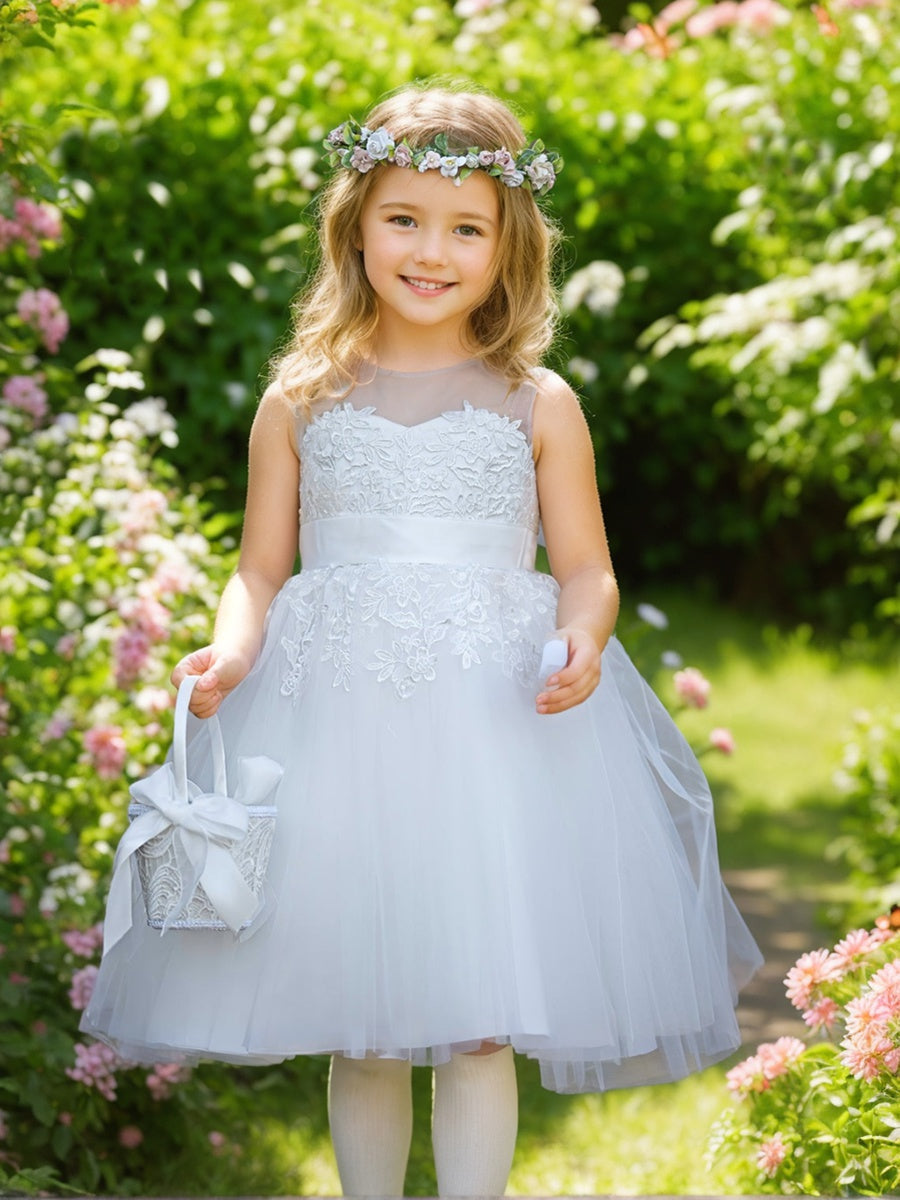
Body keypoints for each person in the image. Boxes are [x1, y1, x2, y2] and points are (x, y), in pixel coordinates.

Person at [82, 82, 762, 1197]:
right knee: (365, 1020)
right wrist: (232, 654)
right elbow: (260, 570)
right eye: (405, 218)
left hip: (496, 727)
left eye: (465, 229)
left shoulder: (537, 402)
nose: (431, 251)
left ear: (508, 248)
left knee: (481, 1015)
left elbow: (586, 571)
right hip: (338, 723)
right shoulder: (300, 398)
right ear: (357, 223)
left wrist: (583, 640)